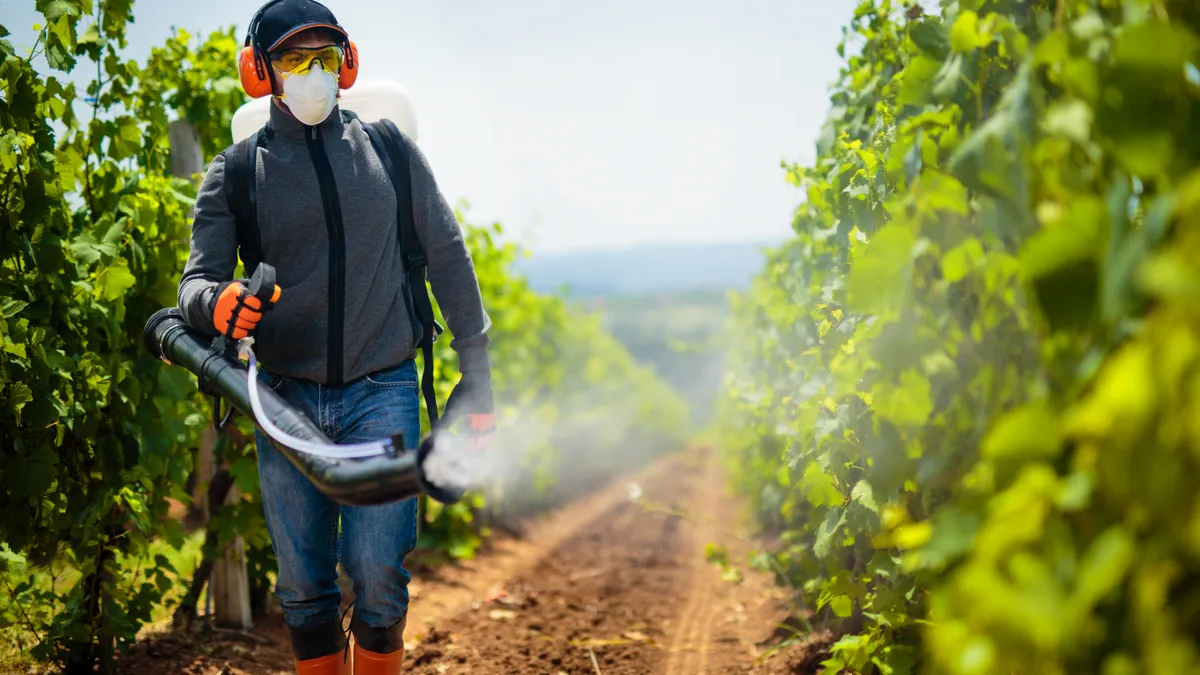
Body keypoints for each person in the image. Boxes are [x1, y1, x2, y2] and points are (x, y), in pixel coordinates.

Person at [177, 0, 494, 672]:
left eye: (325, 57)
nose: (313, 73)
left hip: (382, 388)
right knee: (303, 586)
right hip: (284, 402)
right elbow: (196, 285)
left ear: (347, 64)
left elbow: (448, 254)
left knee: (380, 574)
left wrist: (480, 376)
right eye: (295, 59)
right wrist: (217, 304)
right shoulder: (235, 174)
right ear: (260, 73)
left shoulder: (389, 152)